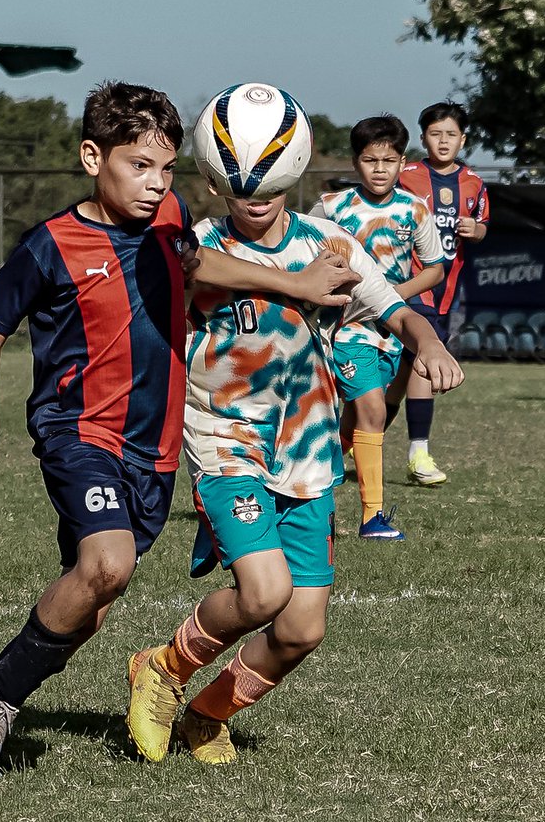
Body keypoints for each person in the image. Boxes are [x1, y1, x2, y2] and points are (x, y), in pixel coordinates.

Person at [0, 81, 361, 780]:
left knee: (90, 603)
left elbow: (200, 263)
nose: (157, 185)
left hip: (153, 453)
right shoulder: (51, 244)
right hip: (79, 433)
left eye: (166, 169)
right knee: (109, 564)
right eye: (138, 166)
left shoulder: (170, 222)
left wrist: (296, 284)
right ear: (93, 156)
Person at [126, 169, 463, 766]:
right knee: (264, 593)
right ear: (214, 184)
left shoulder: (328, 244)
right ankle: (162, 668)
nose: (256, 203)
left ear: (292, 178)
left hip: (306, 450)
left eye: (270, 189)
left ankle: (206, 716)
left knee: (301, 631)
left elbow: (394, 309)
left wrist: (428, 342)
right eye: (242, 191)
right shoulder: (196, 242)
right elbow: (187, 266)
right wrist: (296, 285)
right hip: (225, 438)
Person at [311, 114, 444, 540]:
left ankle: (317, 475)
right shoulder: (331, 208)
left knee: (362, 418)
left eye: (388, 161)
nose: (380, 169)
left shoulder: (414, 209)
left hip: (389, 330)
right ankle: (372, 517)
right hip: (345, 329)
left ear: (402, 162)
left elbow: (437, 268)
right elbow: (302, 252)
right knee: (372, 409)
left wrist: (391, 294)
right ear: (356, 163)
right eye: (370, 161)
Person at [385, 101, 489, 486]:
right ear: (423, 137)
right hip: (412, 282)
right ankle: (419, 453)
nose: (443, 141)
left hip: (448, 288)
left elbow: (482, 227)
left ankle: (359, 437)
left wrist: (474, 230)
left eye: (450, 134)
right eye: (435, 133)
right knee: (424, 362)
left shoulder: (474, 183)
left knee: (406, 371)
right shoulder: (407, 174)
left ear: (463, 139)